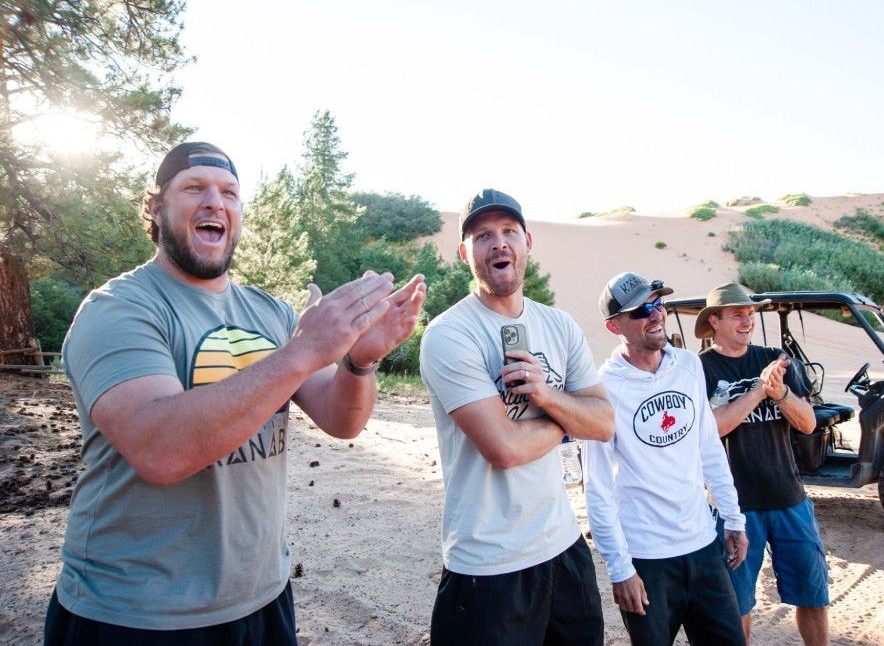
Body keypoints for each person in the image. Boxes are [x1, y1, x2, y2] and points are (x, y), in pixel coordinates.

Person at [44, 142, 426, 645]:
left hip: (262, 600)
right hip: (135, 615)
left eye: (228, 192)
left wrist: (359, 360)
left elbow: (341, 419)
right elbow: (160, 450)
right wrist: (306, 349)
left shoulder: (269, 313)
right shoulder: (118, 309)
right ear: (155, 209)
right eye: (193, 188)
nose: (214, 202)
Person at [419, 188, 615, 645]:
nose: (499, 243)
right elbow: (504, 448)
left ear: (528, 241)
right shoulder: (450, 335)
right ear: (464, 252)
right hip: (488, 566)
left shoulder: (560, 325)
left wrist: (546, 396)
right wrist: (569, 416)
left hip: (565, 551)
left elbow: (604, 423)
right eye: (483, 235)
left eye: (509, 231)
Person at [584, 272, 748, 645]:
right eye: (641, 309)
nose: (655, 314)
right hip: (646, 559)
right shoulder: (603, 389)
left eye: (658, 303)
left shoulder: (690, 366)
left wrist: (733, 517)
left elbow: (709, 448)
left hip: (704, 546)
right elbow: (597, 487)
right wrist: (620, 568)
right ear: (614, 326)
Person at [696, 282, 829, 646]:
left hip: (791, 499)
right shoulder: (698, 370)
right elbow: (713, 428)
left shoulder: (778, 360)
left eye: (750, 313)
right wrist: (758, 390)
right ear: (715, 321)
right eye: (737, 314)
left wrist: (781, 392)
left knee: (813, 595)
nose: (747, 320)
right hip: (736, 508)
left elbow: (807, 423)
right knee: (737, 604)